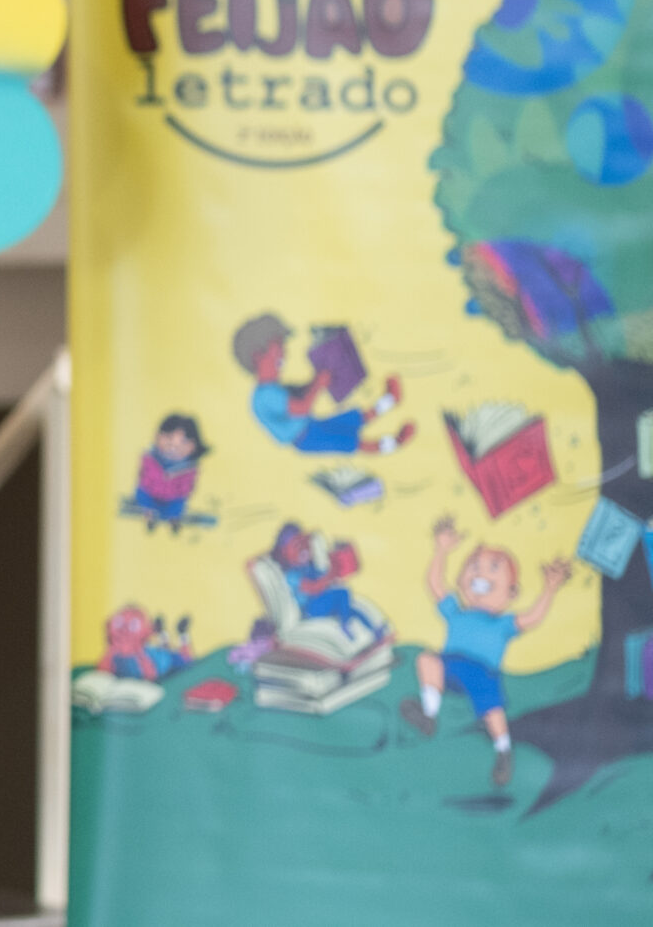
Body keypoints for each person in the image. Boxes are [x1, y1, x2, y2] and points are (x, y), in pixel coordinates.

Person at [402, 515, 573, 789]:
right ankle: (428, 715)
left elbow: (532, 618)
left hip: (482, 672)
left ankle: (503, 751)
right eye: (474, 567)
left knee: (493, 711)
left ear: (511, 593)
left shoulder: (503, 624)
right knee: (426, 659)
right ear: (461, 581)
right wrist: (441, 550)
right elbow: (435, 585)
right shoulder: (457, 612)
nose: (481, 574)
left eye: (494, 568)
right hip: (450, 665)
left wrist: (550, 589)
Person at [231, 311, 413, 455]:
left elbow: (299, 395)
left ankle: (390, 400)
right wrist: (319, 383)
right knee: (351, 442)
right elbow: (301, 407)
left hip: (308, 428)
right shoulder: (266, 395)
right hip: (306, 437)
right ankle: (395, 443)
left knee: (351, 420)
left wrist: (317, 380)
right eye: (278, 347)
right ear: (258, 356)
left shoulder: (271, 389)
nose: (284, 352)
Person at [128, 411, 210, 531]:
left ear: (193, 446)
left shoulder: (188, 468)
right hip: (151, 493)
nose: (174, 445)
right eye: (169, 438)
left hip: (172, 497)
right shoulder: (151, 458)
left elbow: (187, 487)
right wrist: (159, 481)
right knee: (145, 498)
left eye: (183, 441)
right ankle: (149, 517)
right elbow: (144, 477)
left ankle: (174, 520)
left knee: (176, 506)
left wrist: (177, 488)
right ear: (158, 436)